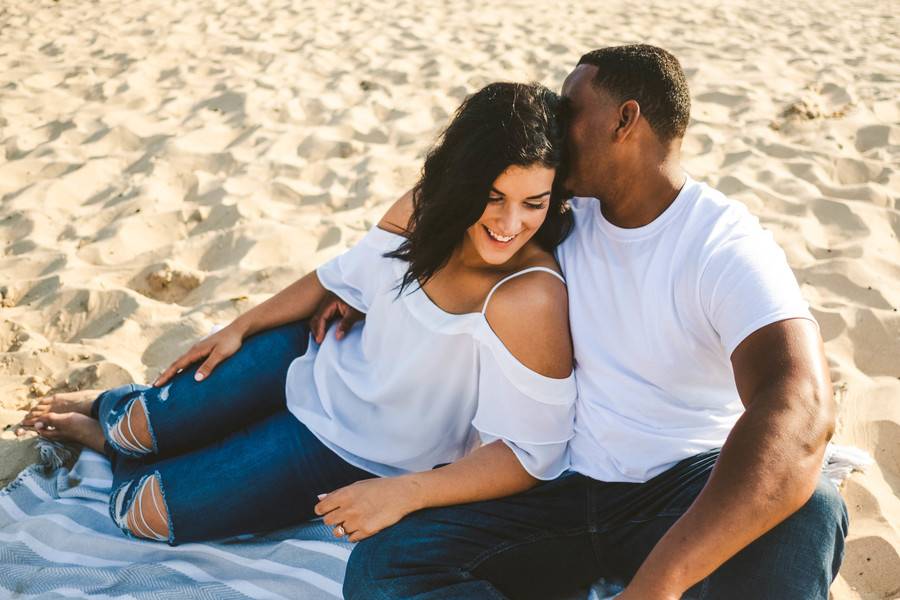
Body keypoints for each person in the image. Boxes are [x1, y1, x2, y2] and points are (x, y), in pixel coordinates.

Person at [334, 45, 848, 599]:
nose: (554, 123)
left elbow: (800, 404)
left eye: (569, 108)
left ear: (625, 120)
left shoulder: (723, 245)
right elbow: (455, 215)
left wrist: (659, 584)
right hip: (559, 491)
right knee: (383, 567)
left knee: (811, 506)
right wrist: (362, 288)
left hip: (679, 491)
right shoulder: (560, 213)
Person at [17, 82, 578, 546]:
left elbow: (533, 454)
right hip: (306, 359)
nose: (510, 223)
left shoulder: (529, 295)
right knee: (138, 424)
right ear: (463, 179)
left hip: (347, 454)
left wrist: (407, 492)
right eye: (494, 196)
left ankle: (107, 439)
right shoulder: (425, 208)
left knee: (142, 514)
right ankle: (113, 412)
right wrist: (238, 326)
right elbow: (337, 278)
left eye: (534, 202)